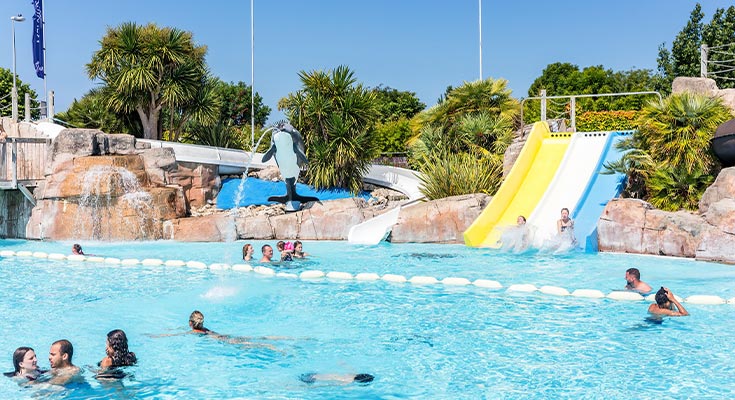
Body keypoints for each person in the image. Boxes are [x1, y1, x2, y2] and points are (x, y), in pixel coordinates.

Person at [299, 372, 374, 385]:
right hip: (311, 379)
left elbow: (344, 364)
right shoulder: (347, 382)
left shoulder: (351, 374)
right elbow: (329, 385)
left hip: (314, 374)